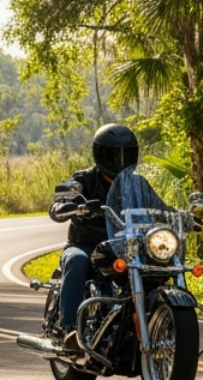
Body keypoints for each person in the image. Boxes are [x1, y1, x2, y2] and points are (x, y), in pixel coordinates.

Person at [48, 123, 139, 350]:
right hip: (85, 245)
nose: (120, 161)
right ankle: (69, 330)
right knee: (77, 260)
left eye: (125, 154)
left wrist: (181, 216)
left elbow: (158, 204)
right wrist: (68, 205)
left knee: (153, 267)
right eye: (114, 155)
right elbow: (61, 201)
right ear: (101, 154)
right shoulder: (85, 179)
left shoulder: (137, 183)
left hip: (121, 248)